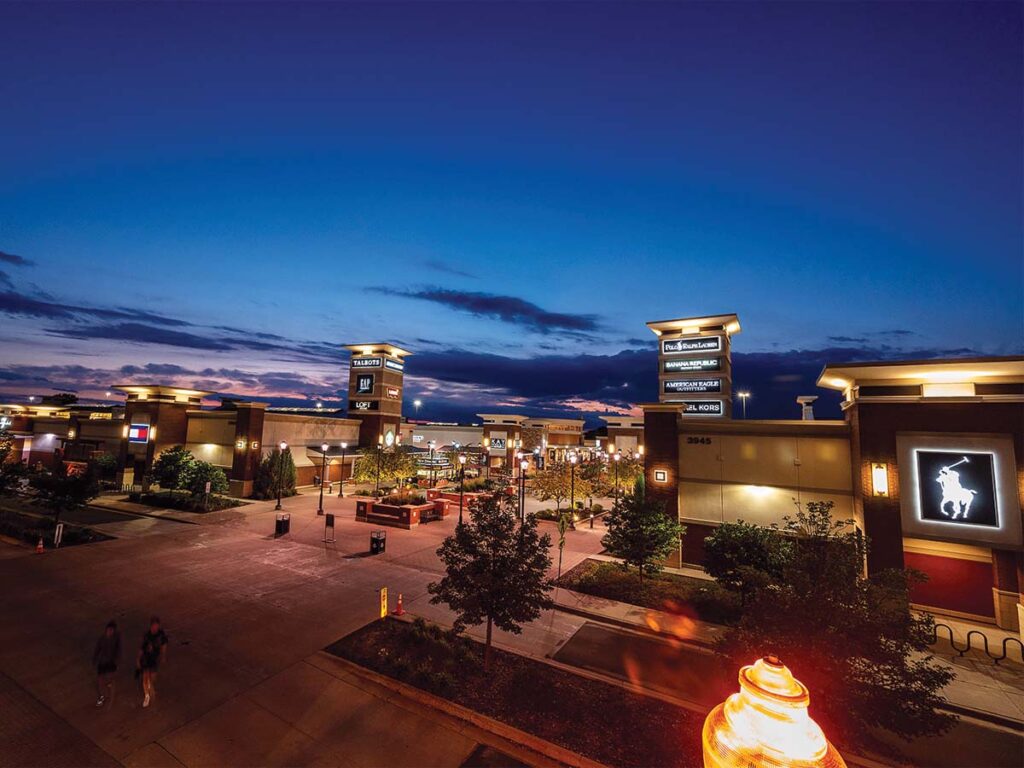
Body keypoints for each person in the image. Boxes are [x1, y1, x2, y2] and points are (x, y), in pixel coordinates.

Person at [137, 616, 168, 708]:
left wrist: (163, 655)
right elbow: (142, 647)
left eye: (156, 625)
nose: (155, 627)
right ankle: (147, 696)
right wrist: (138, 658)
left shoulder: (161, 635)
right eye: (153, 625)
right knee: (145, 677)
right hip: (146, 658)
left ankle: (150, 687)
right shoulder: (147, 635)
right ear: (151, 625)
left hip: (155, 658)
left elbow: (164, 645)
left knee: (152, 678)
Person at [93, 620, 121, 707]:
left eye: (112, 630)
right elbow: (97, 649)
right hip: (102, 662)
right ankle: (102, 696)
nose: (110, 631)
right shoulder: (102, 638)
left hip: (110, 663)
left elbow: (118, 652)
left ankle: (110, 699)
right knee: (100, 680)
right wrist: (95, 658)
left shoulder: (116, 640)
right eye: (109, 630)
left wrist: (117, 662)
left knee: (110, 681)